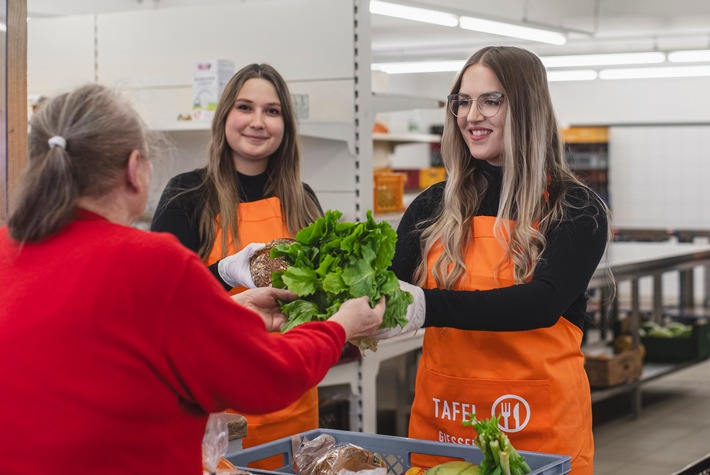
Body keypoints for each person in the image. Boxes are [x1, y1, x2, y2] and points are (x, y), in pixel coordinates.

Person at [0, 83, 385, 475]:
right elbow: (268, 376)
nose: (258, 122)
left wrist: (234, 309)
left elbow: (127, 346)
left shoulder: (7, 250)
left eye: (272, 111)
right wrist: (342, 325)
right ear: (135, 170)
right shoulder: (151, 259)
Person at [379, 46, 611, 474]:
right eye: (463, 101)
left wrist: (426, 306)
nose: (471, 115)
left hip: (537, 430)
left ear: (527, 107)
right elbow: (388, 287)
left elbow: (541, 302)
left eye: (491, 100)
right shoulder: (434, 205)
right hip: (445, 423)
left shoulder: (574, 206)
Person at [150, 63, 330, 465]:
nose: (257, 122)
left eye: (272, 111)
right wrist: (224, 272)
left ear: (285, 124)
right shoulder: (187, 195)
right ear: (225, 116)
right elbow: (159, 302)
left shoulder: (303, 199)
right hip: (219, 410)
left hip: (294, 398)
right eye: (245, 107)